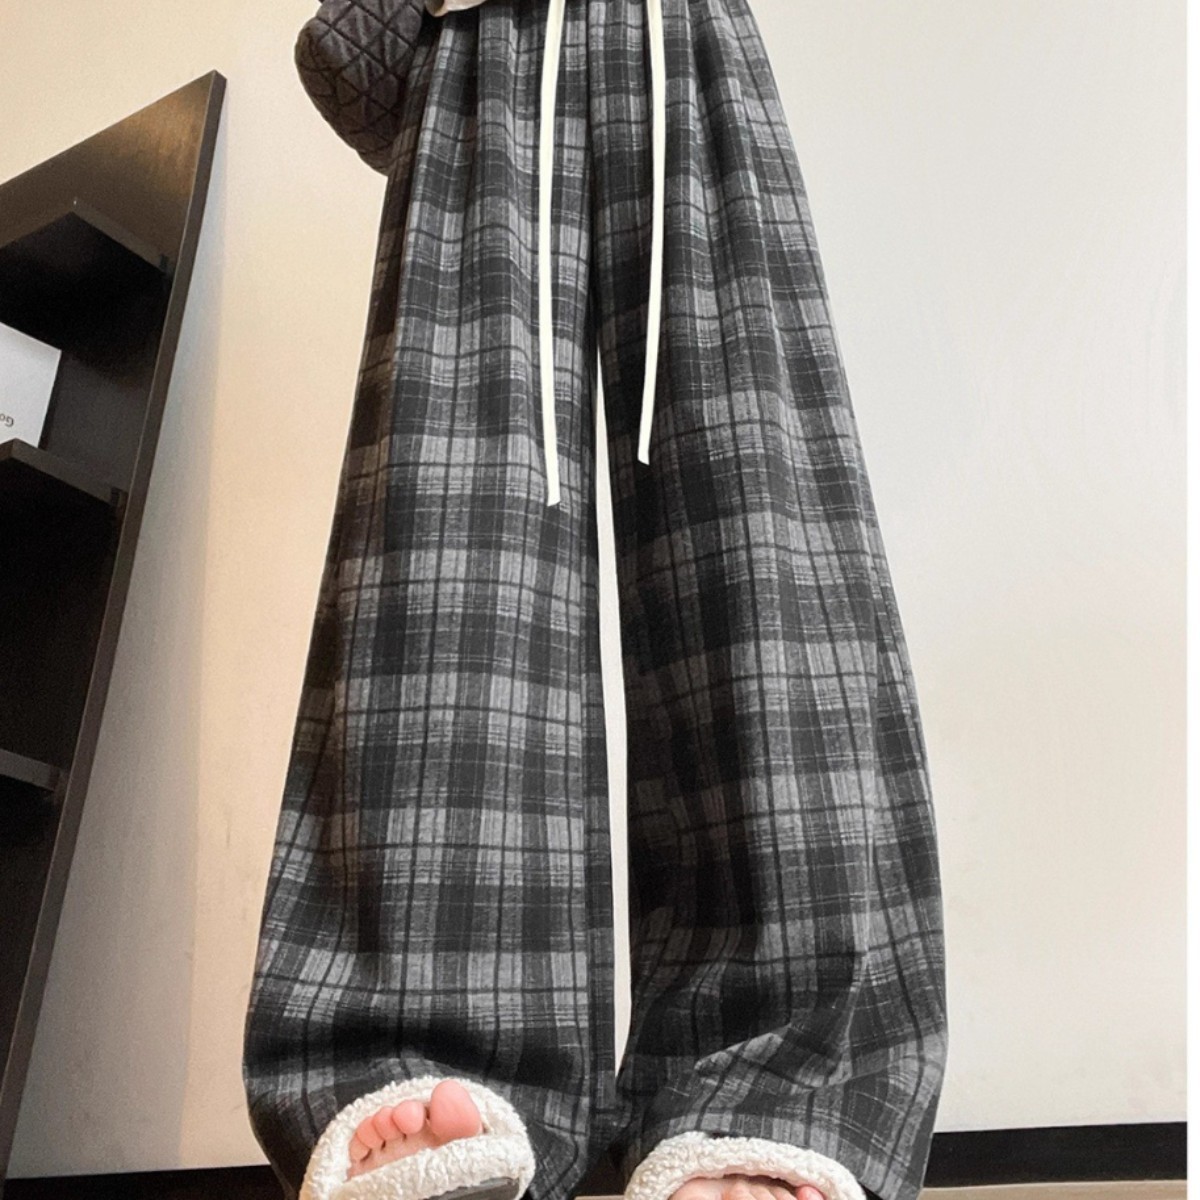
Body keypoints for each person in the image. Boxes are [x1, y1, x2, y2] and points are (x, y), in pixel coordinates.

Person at [242, 1, 949, 1199]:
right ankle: (433, 1060)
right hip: (475, 56)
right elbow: (352, 66)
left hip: (691, 40)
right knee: (445, 543)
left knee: (763, 535)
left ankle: (776, 1090)